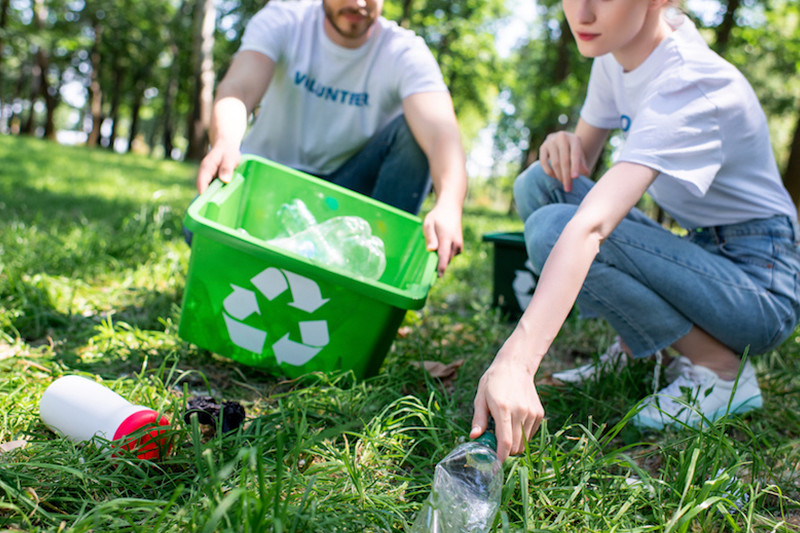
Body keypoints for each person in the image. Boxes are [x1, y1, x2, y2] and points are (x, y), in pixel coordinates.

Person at [470, 0, 800, 463]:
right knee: (539, 186)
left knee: (554, 228)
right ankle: (642, 350)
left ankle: (721, 373)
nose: (581, 14)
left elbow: (591, 224)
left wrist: (517, 361)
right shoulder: (613, 53)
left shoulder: (688, 80)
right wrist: (561, 145)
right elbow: (571, 173)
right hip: (707, 251)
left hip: (761, 284)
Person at [195, 0, 467, 276]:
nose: (358, 3)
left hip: (347, 195)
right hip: (268, 183)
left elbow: (441, 132)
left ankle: (378, 272)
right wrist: (226, 141)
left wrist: (449, 203)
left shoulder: (404, 51)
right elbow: (239, 87)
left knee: (414, 134)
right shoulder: (284, 19)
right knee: (199, 235)